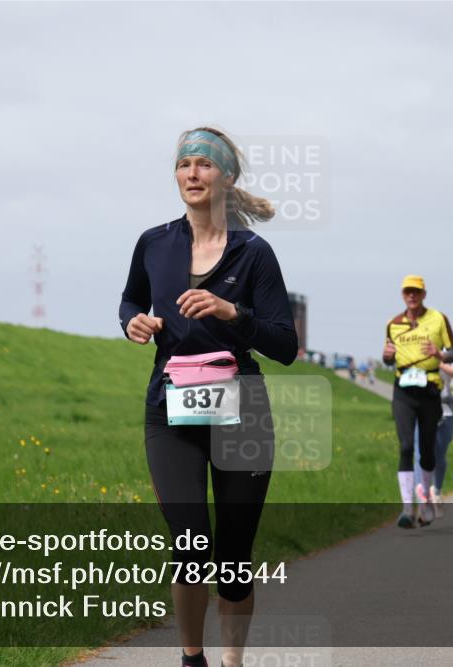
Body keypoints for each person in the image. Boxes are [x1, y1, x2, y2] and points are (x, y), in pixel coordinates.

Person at [119, 127, 298, 667]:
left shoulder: (254, 252)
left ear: (227, 177)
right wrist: (134, 321)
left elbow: (285, 345)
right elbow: (130, 297)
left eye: (204, 164)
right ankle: (192, 658)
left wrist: (230, 313)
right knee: (192, 545)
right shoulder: (154, 242)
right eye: (184, 164)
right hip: (169, 407)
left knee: (234, 557)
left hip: (242, 414)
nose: (192, 173)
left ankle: (232, 661)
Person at [382, 275, 453, 528]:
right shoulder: (393, 324)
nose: (412, 296)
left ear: (424, 294)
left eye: (416, 292)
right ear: (402, 294)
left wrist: (439, 354)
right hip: (403, 391)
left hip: (429, 390)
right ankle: (406, 508)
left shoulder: (438, 318)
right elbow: (388, 358)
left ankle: (425, 501)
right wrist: (386, 356)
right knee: (405, 447)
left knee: (427, 451)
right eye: (407, 292)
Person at [413, 359, 453, 518]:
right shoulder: (414, 345)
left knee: (438, 456)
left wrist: (441, 363)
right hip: (420, 405)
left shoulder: (449, 350)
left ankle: (436, 491)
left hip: (444, 408)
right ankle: (423, 499)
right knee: (420, 454)